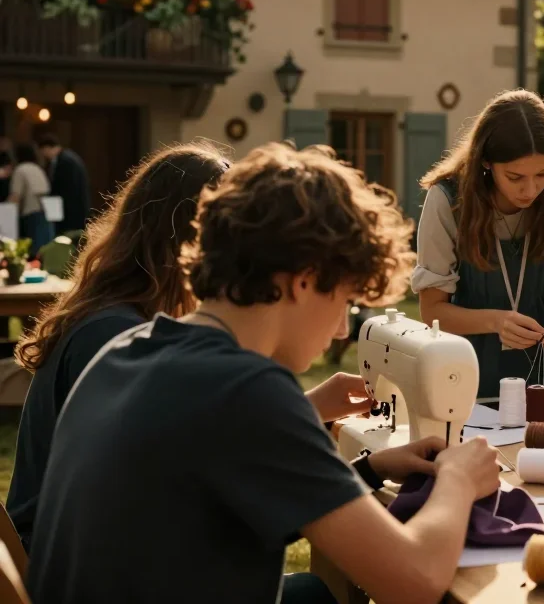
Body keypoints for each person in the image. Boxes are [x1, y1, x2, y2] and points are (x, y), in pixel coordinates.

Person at [27, 143, 502, 604]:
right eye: (344, 300)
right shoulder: (247, 390)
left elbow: (219, 507)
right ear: (303, 281)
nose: (342, 329)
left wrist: (372, 469)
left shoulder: (125, 352)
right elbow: (414, 582)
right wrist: (458, 479)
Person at [7, 143, 386, 554]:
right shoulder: (119, 339)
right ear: (193, 240)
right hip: (62, 558)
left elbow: (187, 453)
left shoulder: (122, 326)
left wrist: (309, 414)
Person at [414, 89, 544, 400]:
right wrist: (496, 321)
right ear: (486, 162)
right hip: (468, 375)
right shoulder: (447, 198)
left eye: (542, 173)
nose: (530, 190)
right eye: (514, 177)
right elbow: (431, 311)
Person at [36, 130, 91, 235]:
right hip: (71, 211)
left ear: (46, 148)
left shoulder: (66, 161)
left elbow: (67, 188)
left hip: (72, 212)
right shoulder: (65, 158)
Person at [8, 142, 53, 252]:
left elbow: (15, 197)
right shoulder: (38, 169)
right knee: (43, 251)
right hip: (46, 214)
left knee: (31, 252)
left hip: (30, 215)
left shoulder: (20, 169)